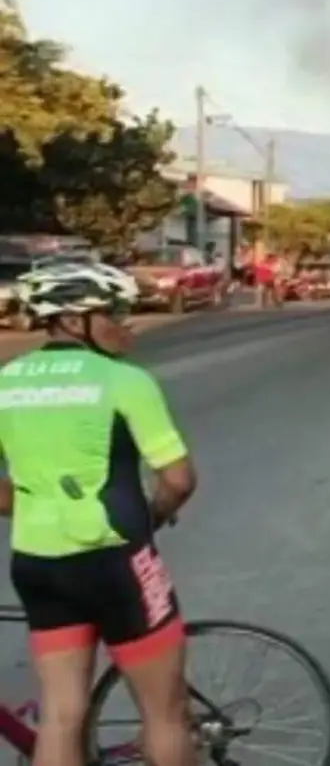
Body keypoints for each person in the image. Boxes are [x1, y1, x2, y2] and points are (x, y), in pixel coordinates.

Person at [0, 264, 199, 766]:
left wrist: (43, 510)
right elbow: (178, 479)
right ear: (71, 321)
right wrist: (155, 514)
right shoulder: (123, 380)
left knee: (62, 715)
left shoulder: (4, 383)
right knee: (165, 713)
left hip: (37, 563)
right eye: (111, 312)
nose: (124, 322)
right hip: (116, 562)